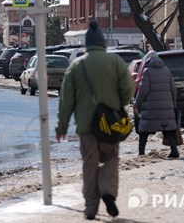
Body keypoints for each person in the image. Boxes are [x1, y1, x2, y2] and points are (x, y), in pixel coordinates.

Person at [55, 20, 134, 220]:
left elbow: (66, 101)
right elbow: (128, 90)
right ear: (103, 43)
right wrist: (118, 104)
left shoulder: (76, 66)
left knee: (89, 165)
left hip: (86, 127)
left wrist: (62, 126)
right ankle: (107, 191)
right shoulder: (115, 62)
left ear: (87, 44)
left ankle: (91, 208)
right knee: (111, 158)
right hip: (110, 124)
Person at [134, 51, 179, 158]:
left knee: (143, 130)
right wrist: (173, 104)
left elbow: (143, 91)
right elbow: (174, 90)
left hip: (151, 108)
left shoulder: (147, 71)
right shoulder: (167, 71)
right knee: (168, 130)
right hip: (166, 108)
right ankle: (174, 151)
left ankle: (141, 153)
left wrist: (137, 104)